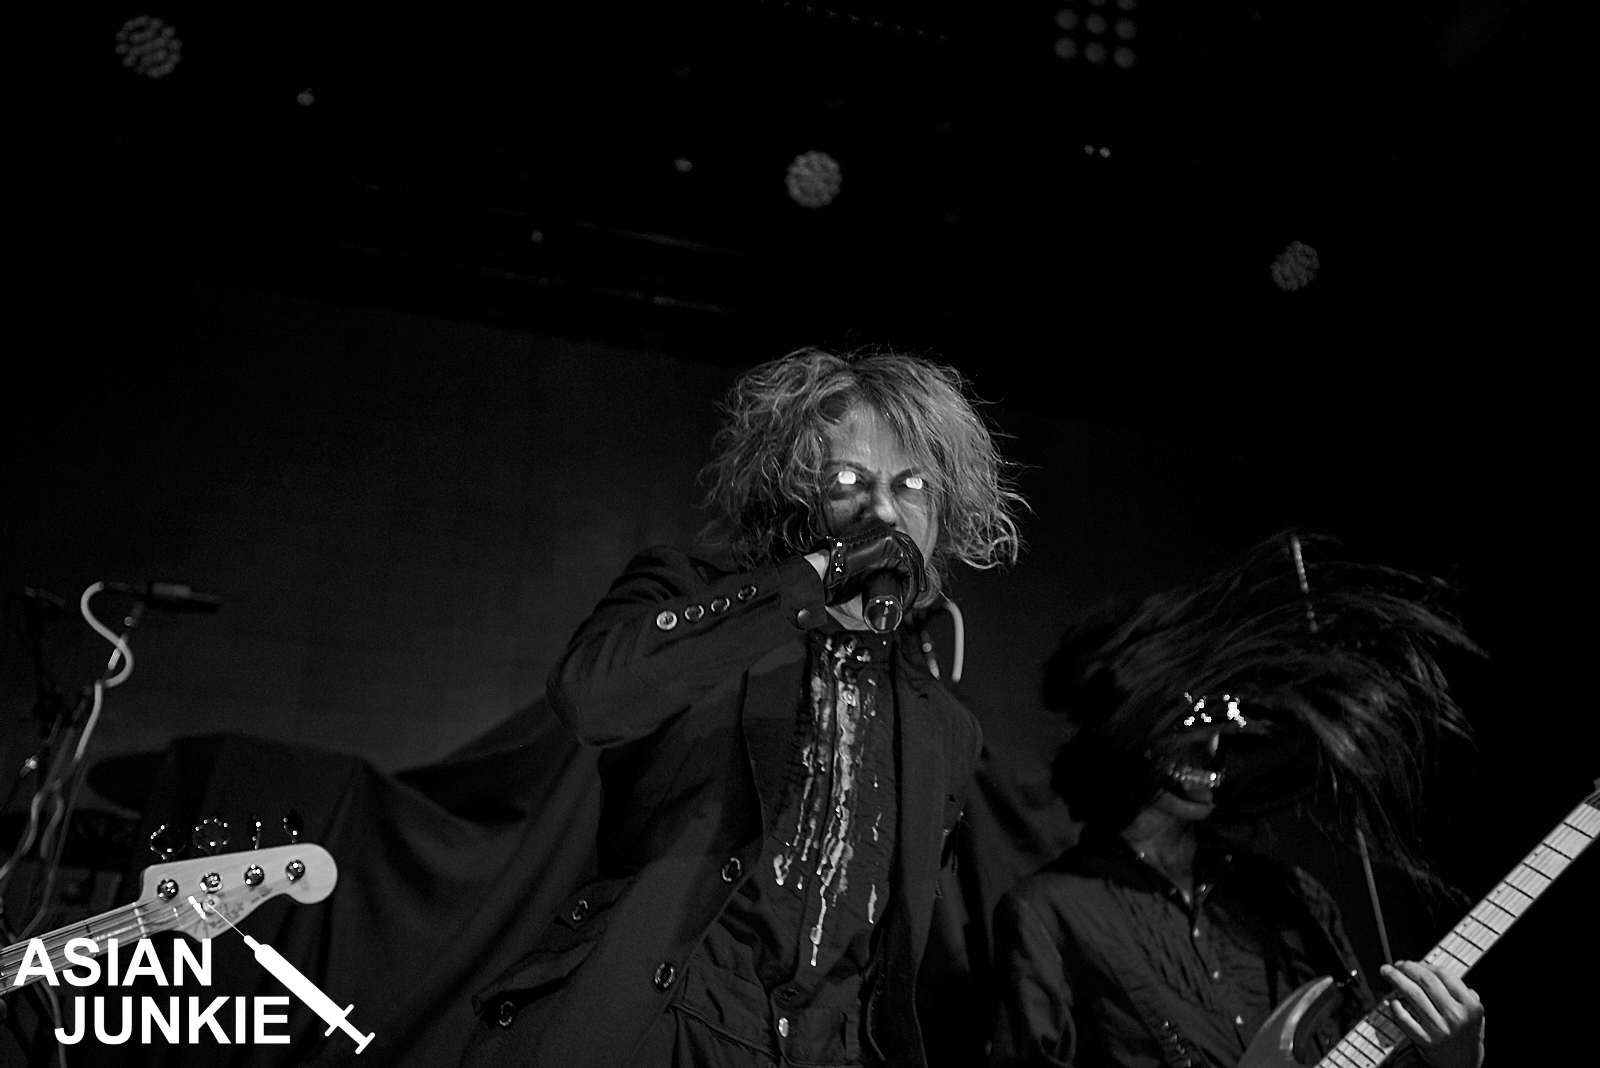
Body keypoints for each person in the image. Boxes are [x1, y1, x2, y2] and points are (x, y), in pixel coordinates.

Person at [459, 348, 1023, 1068]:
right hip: (670, 1026)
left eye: (911, 485)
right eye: (848, 481)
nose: (883, 509)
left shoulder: (945, 726)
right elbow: (589, 696)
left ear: (943, 512)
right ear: (797, 493)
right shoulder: (693, 595)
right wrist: (808, 582)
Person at [989, 536, 1488, 1068]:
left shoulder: (1293, 896)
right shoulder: (1048, 914)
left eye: (1219, 721)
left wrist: (1456, 1059)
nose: (1211, 745)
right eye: (1186, 723)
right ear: (1126, 732)